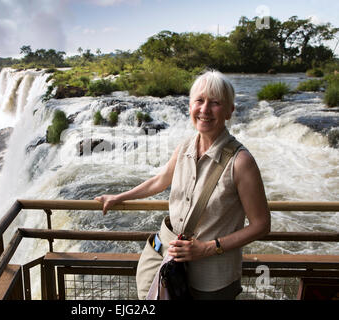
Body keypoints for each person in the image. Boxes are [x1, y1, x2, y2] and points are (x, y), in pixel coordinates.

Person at [94, 70, 270, 300]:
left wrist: (207, 248)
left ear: (229, 111)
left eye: (215, 103)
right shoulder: (185, 146)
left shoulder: (241, 161)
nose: (205, 110)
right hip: (165, 256)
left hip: (211, 276)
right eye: (199, 101)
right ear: (189, 107)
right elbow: (160, 181)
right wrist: (119, 197)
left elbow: (261, 225)